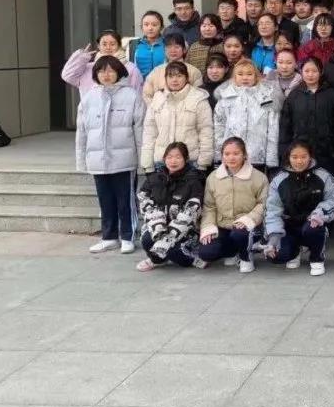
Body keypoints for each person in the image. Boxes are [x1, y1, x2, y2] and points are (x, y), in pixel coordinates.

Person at [77, 56, 146, 255]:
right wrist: (82, 160)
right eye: (101, 71)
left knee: (125, 201)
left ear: (119, 72)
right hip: (98, 160)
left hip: (124, 159)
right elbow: (82, 132)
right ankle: (109, 237)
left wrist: (143, 159)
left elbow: (140, 130)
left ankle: (127, 237)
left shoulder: (132, 96)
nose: (106, 75)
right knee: (105, 200)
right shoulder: (89, 97)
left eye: (110, 71)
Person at [264, 140, 334, 275]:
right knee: (276, 256)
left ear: (310, 157)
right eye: (294, 157)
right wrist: (274, 236)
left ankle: (317, 258)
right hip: (289, 226)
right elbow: (272, 210)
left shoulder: (323, 176)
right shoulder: (278, 179)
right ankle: (295, 251)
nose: (299, 161)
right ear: (288, 157)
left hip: (312, 223)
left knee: (313, 228)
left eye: (303, 157)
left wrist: (319, 214)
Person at [198, 137, 269, 273]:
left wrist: (248, 220)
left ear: (244, 155)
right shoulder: (213, 177)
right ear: (222, 156)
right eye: (227, 154)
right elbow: (209, 206)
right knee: (206, 253)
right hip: (223, 225)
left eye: (236, 153)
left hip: (248, 227)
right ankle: (232, 252)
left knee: (239, 234)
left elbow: (263, 203)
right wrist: (208, 228)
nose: (231, 157)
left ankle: (246, 256)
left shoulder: (258, 177)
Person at [136, 142, 206, 271]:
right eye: (169, 157)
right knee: (147, 240)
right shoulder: (154, 178)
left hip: (185, 230)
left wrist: (168, 237)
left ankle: (191, 258)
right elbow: (144, 201)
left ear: (185, 159)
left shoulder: (194, 180)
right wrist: (158, 227)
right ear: (164, 159)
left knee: (173, 250)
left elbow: (191, 211)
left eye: (178, 157)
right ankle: (157, 260)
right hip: (159, 227)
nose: (173, 161)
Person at [279, 56, 334, 184]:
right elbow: (285, 125)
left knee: (326, 184)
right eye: (307, 71)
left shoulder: (331, 95)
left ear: (320, 72)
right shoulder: (294, 95)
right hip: (300, 154)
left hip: (327, 153)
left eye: (314, 71)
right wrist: (284, 150)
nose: (310, 75)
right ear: (301, 72)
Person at [140, 61, 214, 172]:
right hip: (162, 161)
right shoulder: (158, 98)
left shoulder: (198, 98)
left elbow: (205, 131)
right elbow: (150, 132)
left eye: (179, 76)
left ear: (186, 78)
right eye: (170, 76)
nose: (174, 80)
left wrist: (204, 162)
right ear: (165, 78)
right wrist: (147, 164)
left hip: (190, 161)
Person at [213, 59, 281, 171]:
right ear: (234, 77)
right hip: (232, 155)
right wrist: (218, 155)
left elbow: (273, 129)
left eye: (249, 74)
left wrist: (271, 159)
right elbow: (219, 127)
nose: (245, 78)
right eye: (240, 74)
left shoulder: (266, 97)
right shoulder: (226, 98)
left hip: (257, 155)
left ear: (256, 76)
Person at [62, 29, 143, 97]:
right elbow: (68, 76)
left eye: (112, 44)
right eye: (104, 44)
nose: (108, 47)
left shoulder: (130, 68)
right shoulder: (89, 68)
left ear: (119, 46)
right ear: (98, 46)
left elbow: (137, 95)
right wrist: (81, 58)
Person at [141, 34, 203, 103]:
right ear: (164, 50)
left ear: (184, 49)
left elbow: (198, 96)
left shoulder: (194, 72)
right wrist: (156, 107)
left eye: (177, 47)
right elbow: (146, 95)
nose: (173, 50)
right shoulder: (156, 71)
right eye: (169, 47)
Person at [128, 11, 166, 78]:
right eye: (146, 24)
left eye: (154, 25)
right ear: (141, 27)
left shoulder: (168, 44)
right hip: (139, 84)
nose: (150, 28)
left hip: (162, 83)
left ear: (161, 27)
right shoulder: (133, 45)